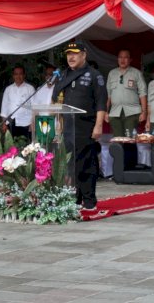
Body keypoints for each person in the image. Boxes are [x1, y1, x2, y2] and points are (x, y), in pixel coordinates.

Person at [52, 42, 107, 210]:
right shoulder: (62, 76)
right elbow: (55, 101)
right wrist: (57, 123)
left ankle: (89, 201)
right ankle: (74, 199)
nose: (71, 57)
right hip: (67, 126)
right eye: (69, 54)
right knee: (70, 165)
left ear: (84, 55)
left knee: (86, 164)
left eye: (75, 53)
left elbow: (101, 103)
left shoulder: (94, 75)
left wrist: (98, 126)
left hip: (86, 127)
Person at [105, 49, 147, 136]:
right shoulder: (112, 73)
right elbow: (108, 95)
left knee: (130, 140)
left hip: (132, 112)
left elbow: (142, 93)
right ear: (117, 59)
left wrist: (144, 111)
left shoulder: (136, 73)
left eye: (125, 57)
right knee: (117, 140)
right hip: (115, 112)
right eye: (120, 57)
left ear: (130, 59)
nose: (122, 60)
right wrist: (106, 112)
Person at [0, 65, 35, 138]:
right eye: (16, 74)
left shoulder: (30, 89)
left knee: (27, 148)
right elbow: (4, 108)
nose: (18, 76)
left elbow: (34, 108)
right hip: (11, 123)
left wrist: (33, 123)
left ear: (24, 75)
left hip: (26, 123)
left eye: (20, 74)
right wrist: (4, 123)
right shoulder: (8, 89)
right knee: (11, 147)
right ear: (13, 76)